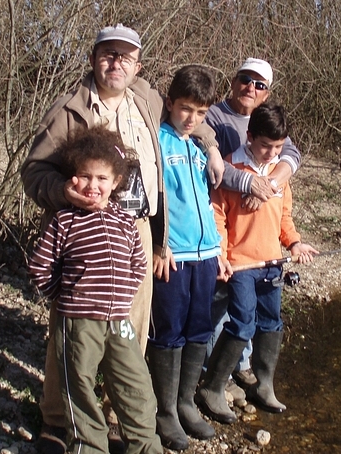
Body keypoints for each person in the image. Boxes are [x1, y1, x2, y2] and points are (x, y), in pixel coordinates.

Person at [20, 24, 223, 454]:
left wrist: (212, 147)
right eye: (108, 54)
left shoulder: (147, 98)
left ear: (137, 66)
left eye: (125, 57)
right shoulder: (69, 109)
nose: (116, 63)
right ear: (94, 59)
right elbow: (34, 172)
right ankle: (57, 423)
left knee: (130, 332)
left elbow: (190, 120)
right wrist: (63, 193)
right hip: (82, 235)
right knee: (70, 336)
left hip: (138, 232)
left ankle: (114, 416)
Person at [28, 128, 162, 454]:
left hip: (118, 319)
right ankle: (88, 446)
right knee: (80, 387)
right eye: (84, 177)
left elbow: (137, 264)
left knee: (136, 384)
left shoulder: (124, 220)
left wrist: (123, 295)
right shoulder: (65, 220)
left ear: (116, 182)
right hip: (78, 320)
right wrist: (63, 296)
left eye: (102, 178)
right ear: (73, 179)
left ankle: (145, 445)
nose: (93, 186)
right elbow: (40, 266)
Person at [197, 102, 319, 424]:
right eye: (265, 145)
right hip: (239, 266)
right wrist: (221, 256)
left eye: (278, 147)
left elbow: (285, 218)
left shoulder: (281, 176)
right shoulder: (229, 168)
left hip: (272, 264)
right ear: (249, 137)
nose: (271, 153)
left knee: (271, 322)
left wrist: (294, 243)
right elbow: (218, 219)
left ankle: (264, 385)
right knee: (242, 322)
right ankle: (212, 387)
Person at [204, 58, 303, 392]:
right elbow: (213, 166)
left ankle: (251, 375)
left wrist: (268, 188)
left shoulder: (272, 128)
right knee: (225, 310)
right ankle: (214, 378)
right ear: (234, 81)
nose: (251, 88)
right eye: (246, 80)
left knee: (263, 317)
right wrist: (248, 184)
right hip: (229, 241)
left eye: (259, 84)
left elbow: (289, 159)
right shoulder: (215, 116)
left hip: (266, 255)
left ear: (267, 92)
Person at [147, 65, 232, 451]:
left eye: (200, 113)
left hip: (206, 253)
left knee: (199, 328)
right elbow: (146, 200)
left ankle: (185, 402)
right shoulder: (157, 142)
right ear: (169, 103)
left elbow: (211, 200)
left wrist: (220, 250)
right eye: (185, 110)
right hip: (173, 255)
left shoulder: (200, 143)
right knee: (169, 331)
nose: (192, 119)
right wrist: (156, 244)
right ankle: (165, 410)